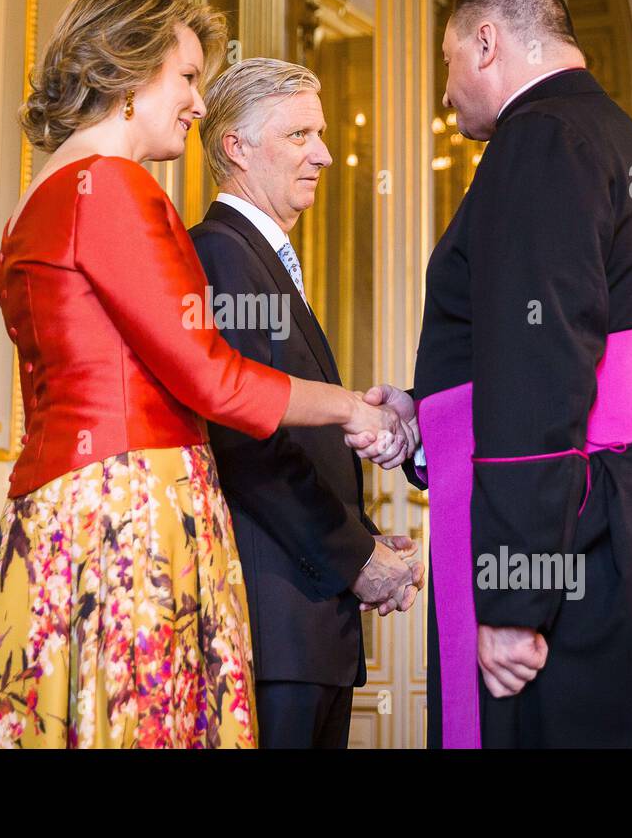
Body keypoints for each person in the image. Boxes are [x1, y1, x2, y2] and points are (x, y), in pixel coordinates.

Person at [0, 0, 409, 749]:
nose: (198, 104)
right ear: (129, 72)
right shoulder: (114, 187)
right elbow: (209, 375)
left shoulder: (38, 196)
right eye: (187, 78)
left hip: (61, 508)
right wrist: (351, 407)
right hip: (131, 504)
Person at [366, 0, 632, 748]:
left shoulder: (539, 138)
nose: (446, 95)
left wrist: (516, 598)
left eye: (449, 64)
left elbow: (542, 364)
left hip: (588, 519)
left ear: (486, 43)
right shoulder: (615, 132)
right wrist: (430, 418)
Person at [188, 58, 424, 749]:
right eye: (299, 135)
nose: (323, 153)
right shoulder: (223, 255)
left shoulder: (259, 260)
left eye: (319, 135)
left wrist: (366, 540)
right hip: (276, 625)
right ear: (235, 147)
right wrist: (359, 560)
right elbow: (246, 438)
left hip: (307, 626)